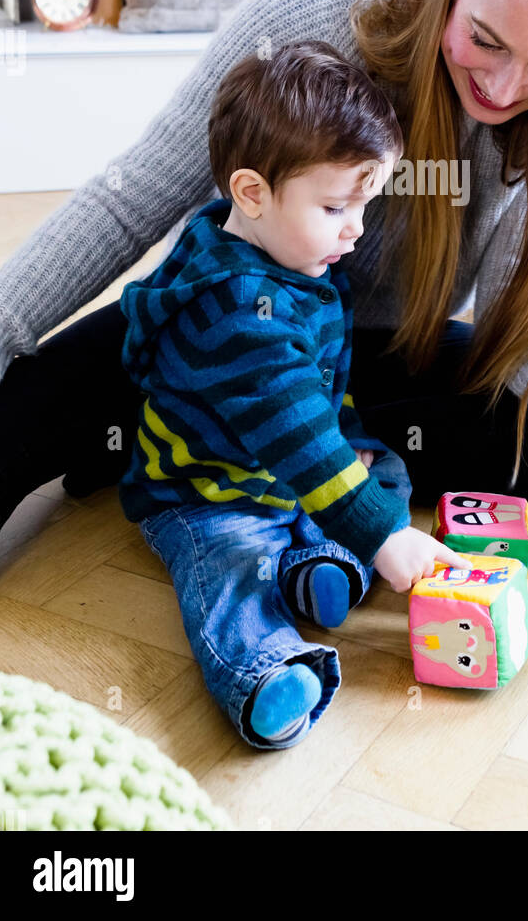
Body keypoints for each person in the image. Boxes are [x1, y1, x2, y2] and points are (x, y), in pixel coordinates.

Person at [0, 0, 528, 574]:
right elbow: (133, 196)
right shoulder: (325, 10)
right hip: (226, 337)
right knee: (10, 418)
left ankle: (257, 457)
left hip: (367, 358)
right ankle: (230, 442)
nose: (501, 87)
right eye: (486, 40)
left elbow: (519, 317)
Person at [115, 41, 469, 748]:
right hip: (208, 495)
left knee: (383, 468)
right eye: (337, 206)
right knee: (233, 571)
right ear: (251, 193)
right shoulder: (241, 315)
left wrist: (367, 491)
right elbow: (302, 438)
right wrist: (388, 535)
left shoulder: (286, 251)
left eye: (365, 204)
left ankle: (317, 562)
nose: (356, 229)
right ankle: (264, 671)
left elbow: (323, 411)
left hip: (285, 470)